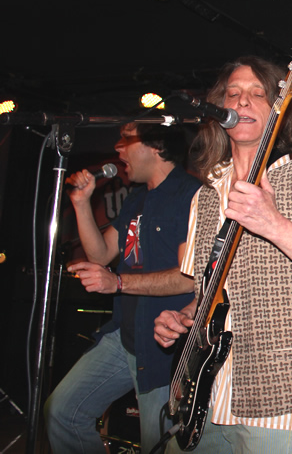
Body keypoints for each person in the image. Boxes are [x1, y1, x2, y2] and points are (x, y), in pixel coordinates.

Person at [153, 55, 292, 453]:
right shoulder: (205, 196)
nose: (243, 102)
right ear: (219, 111)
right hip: (208, 391)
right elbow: (209, 295)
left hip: (282, 397)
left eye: (257, 94)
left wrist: (273, 223)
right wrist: (181, 317)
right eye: (233, 94)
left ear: (278, 112)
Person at [45, 122, 201, 453]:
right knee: (63, 411)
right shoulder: (137, 199)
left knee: (156, 445)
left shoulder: (192, 195)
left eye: (126, 140)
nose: (117, 148)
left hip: (162, 346)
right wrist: (82, 203)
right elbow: (101, 254)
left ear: (156, 145)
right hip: (123, 335)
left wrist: (117, 282)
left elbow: (189, 278)